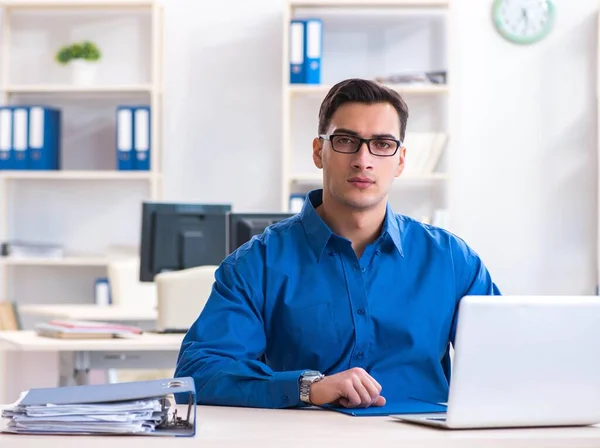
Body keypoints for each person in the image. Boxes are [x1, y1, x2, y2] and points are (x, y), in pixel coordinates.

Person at [174, 78, 500, 409]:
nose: (363, 159)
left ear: (400, 160)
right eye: (346, 140)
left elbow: (506, 359)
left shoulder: (451, 260)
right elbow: (199, 372)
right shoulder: (257, 263)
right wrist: (307, 387)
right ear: (319, 152)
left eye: (383, 144)